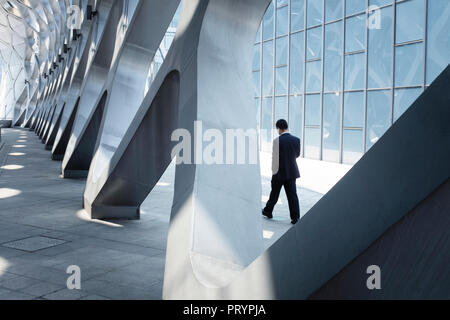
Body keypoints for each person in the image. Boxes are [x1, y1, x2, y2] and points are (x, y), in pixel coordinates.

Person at [262, 119, 301, 225]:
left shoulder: (276, 141)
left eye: (277, 129)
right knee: (292, 195)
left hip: (279, 173)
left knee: (274, 194)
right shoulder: (296, 140)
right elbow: (297, 155)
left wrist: (273, 172)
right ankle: (295, 217)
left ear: (279, 128)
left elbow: (275, 159)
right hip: (291, 172)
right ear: (287, 127)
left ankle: (268, 211)